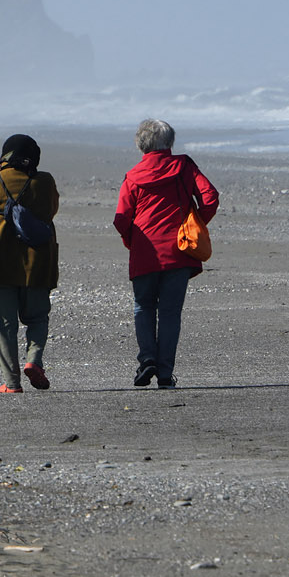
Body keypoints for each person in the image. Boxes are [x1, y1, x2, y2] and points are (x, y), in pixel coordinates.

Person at [113, 119, 219, 389]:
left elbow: (121, 218)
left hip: (144, 250)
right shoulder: (184, 166)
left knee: (143, 307)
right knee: (170, 313)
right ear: (169, 142)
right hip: (179, 250)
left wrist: (131, 241)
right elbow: (210, 197)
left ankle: (147, 357)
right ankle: (164, 374)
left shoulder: (133, 175)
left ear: (141, 144)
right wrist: (194, 222)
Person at [0, 134, 60, 393]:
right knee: (38, 317)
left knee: (4, 325)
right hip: (36, 263)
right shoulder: (46, 182)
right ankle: (34, 361)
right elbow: (51, 210)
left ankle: (12, 383)